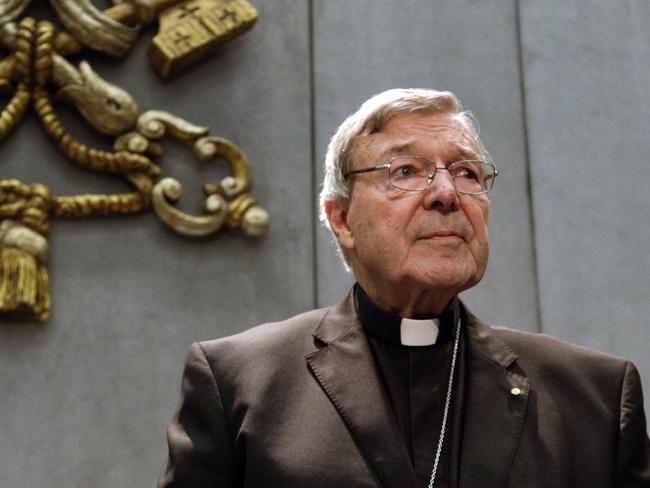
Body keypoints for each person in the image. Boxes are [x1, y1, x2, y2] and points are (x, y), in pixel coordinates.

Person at [158, 88, 650, 487]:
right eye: (406, 172)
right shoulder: (239, 383)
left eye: (466, 172)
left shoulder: (595, 399)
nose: (446, 194)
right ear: (342, 218)